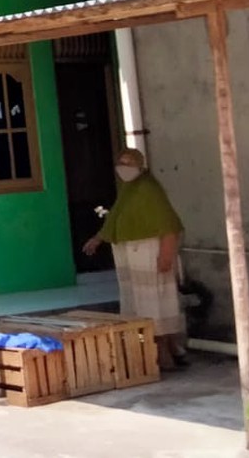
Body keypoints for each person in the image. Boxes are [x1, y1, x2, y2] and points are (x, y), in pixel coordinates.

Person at [82, 147, 188, 369]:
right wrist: (98, 239)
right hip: (132, 259)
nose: (124, 167)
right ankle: (164, 352)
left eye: (130, 162)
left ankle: (165, 353)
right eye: (121, 162)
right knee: (139, 303)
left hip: (151, 256)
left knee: (156, 302)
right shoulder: (128, 190)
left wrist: (167, 255)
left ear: (140, 165)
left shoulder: (148, 189)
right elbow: (116, 220)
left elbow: (170, 225)